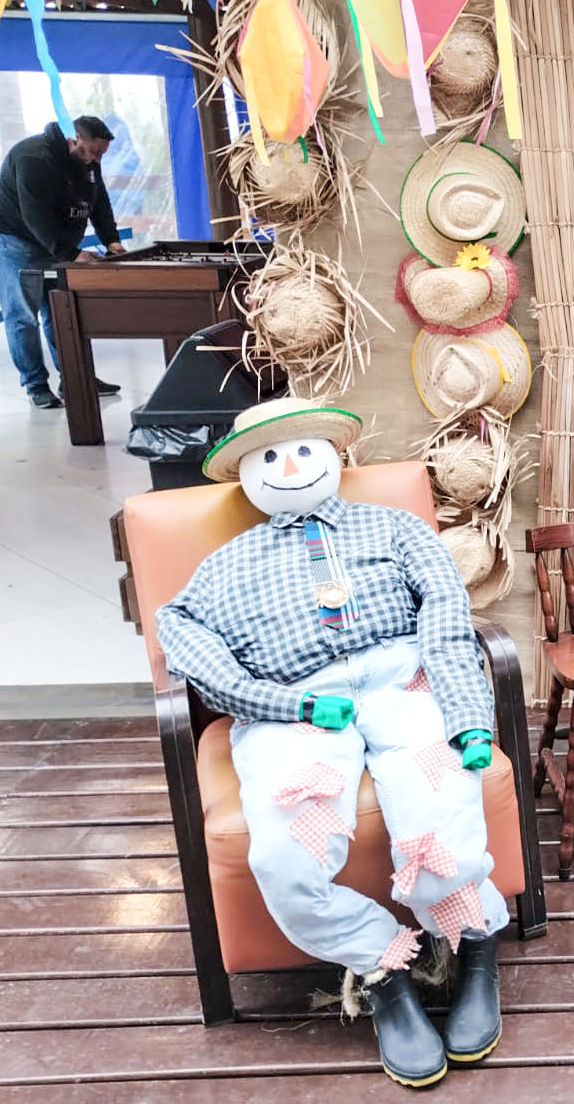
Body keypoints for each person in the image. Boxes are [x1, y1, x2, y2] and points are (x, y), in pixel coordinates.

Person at [156, 398, 508, 1088]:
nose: (289, 467)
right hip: (294, 708)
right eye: (269, 457)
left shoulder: (396, 528)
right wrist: (274, 701)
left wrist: (468, 713)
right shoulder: (224, 566)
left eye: (303, 450)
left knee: (438, 829)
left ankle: (475, 944)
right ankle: (382, 967)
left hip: (404, 683)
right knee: (288, 859)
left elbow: (445, 614)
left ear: (334, 456)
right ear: (245, 475)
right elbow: (179, 628)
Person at [0, 116, 124, 408]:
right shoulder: (33, 158)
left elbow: (99, 201)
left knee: (61, 311)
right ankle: (36, 385)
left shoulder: (89, 161)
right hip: (19, 241)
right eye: (94, 152)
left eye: (102, 154)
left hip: (59, 242)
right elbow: (34, 215)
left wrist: (111, 240)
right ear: (75, 138)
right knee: (23, 316)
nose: (97, 160)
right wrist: (70, 254)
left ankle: (74, 378)